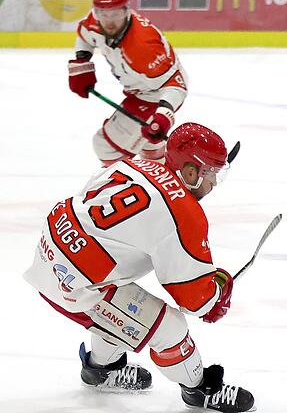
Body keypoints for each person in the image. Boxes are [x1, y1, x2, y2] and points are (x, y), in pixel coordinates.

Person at [23, 123, 255, 413]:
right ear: (190, 172)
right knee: (170, 328)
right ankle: (199, 390)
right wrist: (217, 293)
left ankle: (100, 369)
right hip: (75, 285)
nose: (214, 183)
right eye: (210, 173)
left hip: (50, 249)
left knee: (119, 304)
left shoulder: (134, 164)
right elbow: (195, 301)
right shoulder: (184, 213)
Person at [67, 0, 188, 166]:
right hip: (137, 92)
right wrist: (82, 62)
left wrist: (163, 115)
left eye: (114, 13)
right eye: (102, 13)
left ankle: (121, 186)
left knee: (105, 146)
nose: (108, 20)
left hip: (155, 97)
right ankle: (160, 176)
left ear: (126, 10)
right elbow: (85, 36)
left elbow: (176, 85)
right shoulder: (96, 20)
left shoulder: (144, 45)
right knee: (148, 144)